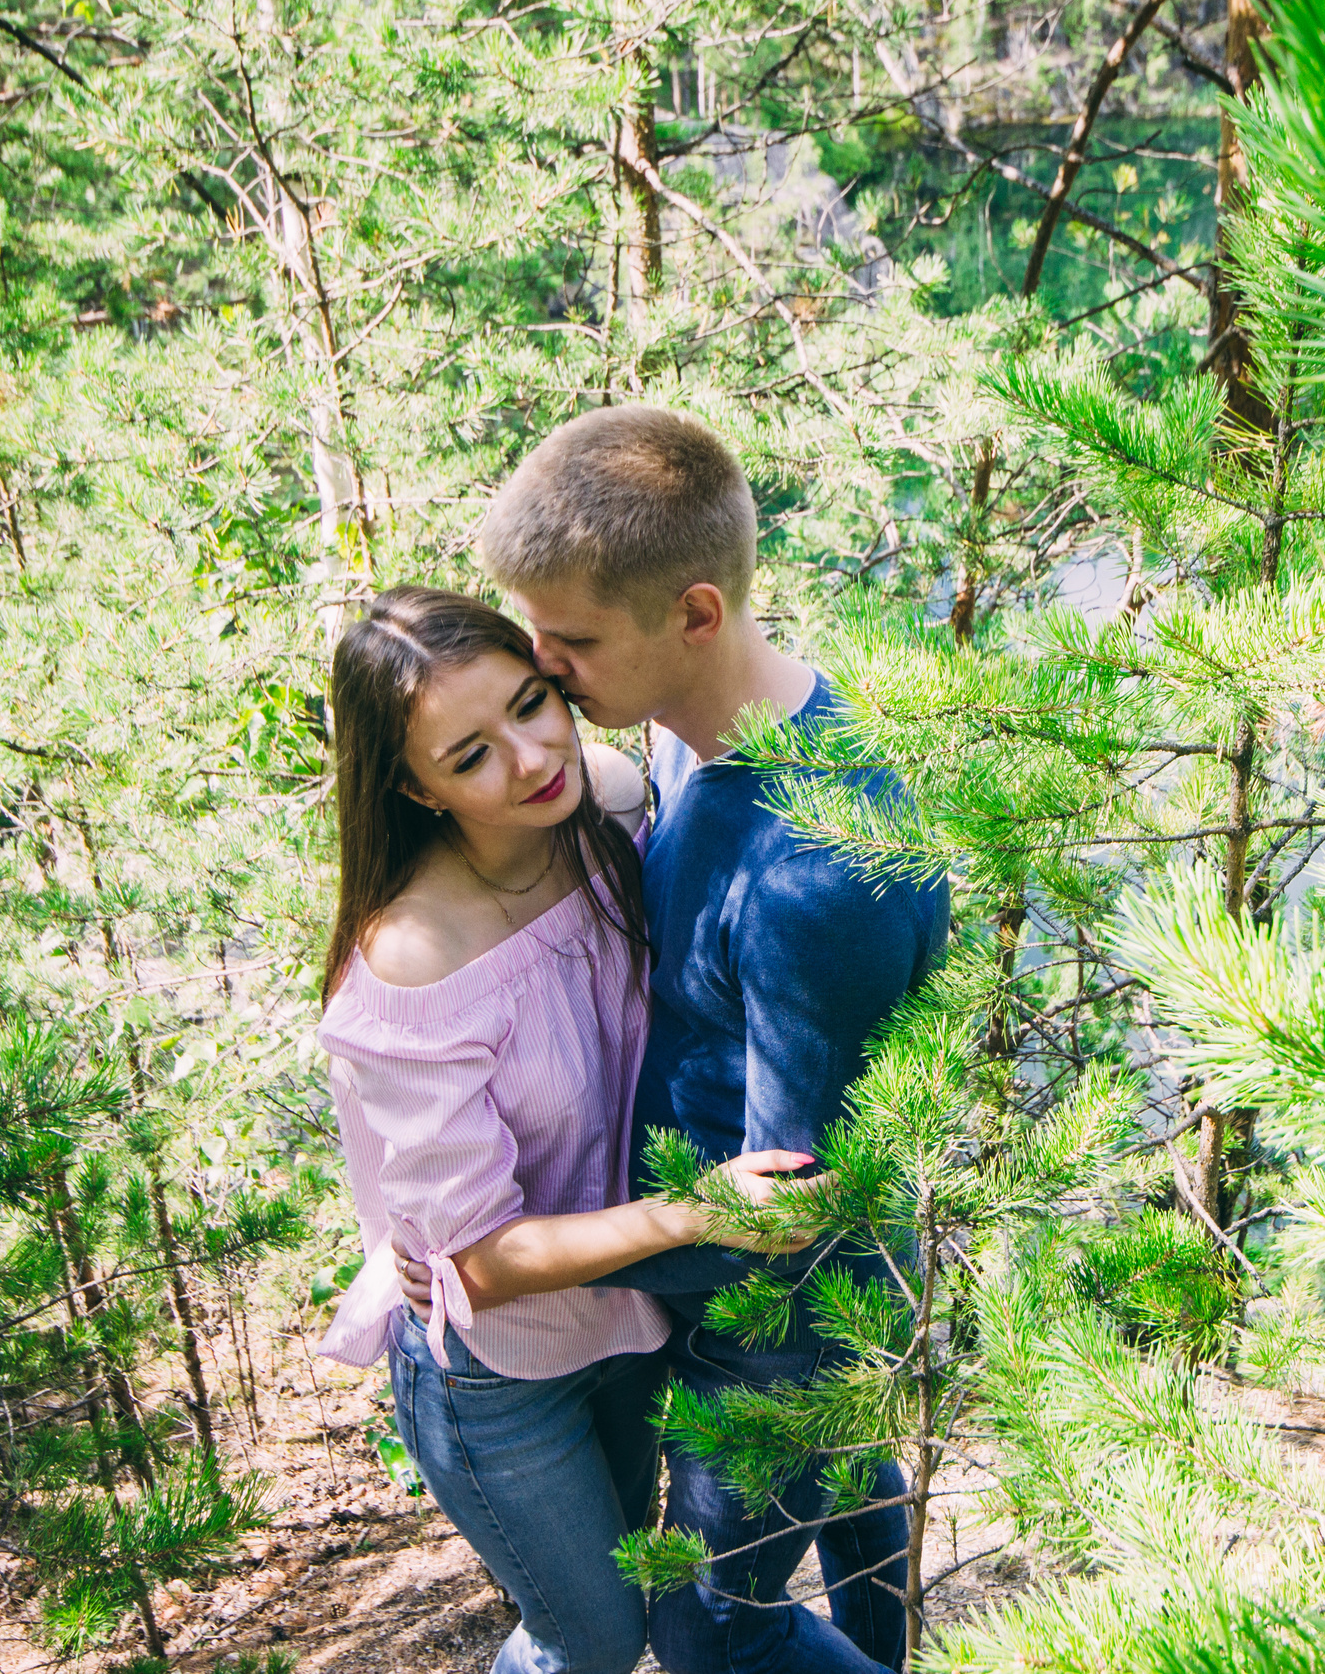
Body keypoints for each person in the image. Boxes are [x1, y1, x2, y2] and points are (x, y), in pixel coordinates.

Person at [403, 406, 952, 1674]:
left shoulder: (816, 867)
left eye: (573, 640)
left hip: (779, 1314)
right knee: (859, 1517)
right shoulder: (703, 724)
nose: (542, 669)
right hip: (745, 1287)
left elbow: (787, 1204)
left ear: (694, 615)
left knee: (715, 1630)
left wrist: (516, 1258)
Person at [313, 586, 813, 1674]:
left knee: (644, 1598)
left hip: (631, 1311)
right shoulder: (412, 960)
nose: (533, 756)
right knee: (588, 1639)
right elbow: (479, 1266)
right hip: (505, 1372)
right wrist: (703, 1208)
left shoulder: (613, 806)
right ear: (413, 786)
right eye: (471, 755)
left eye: (534, 704)